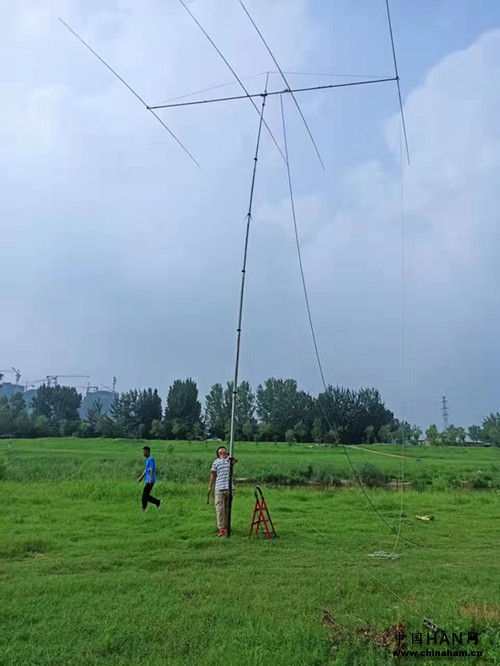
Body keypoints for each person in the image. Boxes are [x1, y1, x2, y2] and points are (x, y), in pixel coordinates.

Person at [207, 445, 238, 536]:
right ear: (218, 453)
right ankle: (221, 528)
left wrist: (228, 455)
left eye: (224, 451)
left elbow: (236, 459)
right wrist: (210, 486)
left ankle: (227, 527)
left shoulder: (229, 461)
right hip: (219, 488)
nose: (223, 453)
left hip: (229, 487)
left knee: (228, 508)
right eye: (221, 452)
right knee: (220, 509)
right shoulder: (216, 462)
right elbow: (213, 475)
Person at [137, 446, 162, 511]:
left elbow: (151, 469)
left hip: (150, 480)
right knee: (146, 495)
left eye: (144, 452)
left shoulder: (151, 459)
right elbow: (146, 470)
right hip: (148, 480)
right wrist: (141, 477)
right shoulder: (148, 459)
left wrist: (150, 478)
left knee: (145, 495)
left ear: (147, 451)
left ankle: (155, 503)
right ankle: (156, 503)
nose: (143, 453)